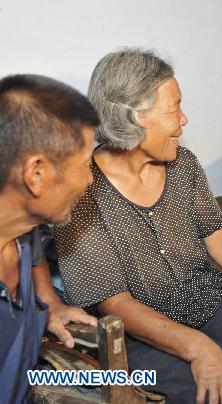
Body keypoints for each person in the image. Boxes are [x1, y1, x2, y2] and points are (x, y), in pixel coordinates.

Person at [54, 48, 222, 404]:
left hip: (205, 298)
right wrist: (198, 348)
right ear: (134, 117)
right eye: (173, 108)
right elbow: (114, 302)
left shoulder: (182, 164)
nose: (184, 119)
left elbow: (219, 236)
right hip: (136, 328)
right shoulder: (83, 187)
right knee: (203, 389)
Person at [0, 74, 99, 403]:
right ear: (36, 174)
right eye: (85, 166)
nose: (89, 181)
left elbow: (35, 253)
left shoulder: (22, 230)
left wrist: (50, 303)